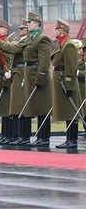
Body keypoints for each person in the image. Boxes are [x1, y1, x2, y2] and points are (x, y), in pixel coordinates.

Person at [0, 12, 53, 148]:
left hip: (37, 75)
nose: (27, 25)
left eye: (29, 22)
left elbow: (44, 62)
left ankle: (44, 138)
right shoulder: (29, 39)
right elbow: (11, 48)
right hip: (28, 74)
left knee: (41, 108)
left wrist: (40, 77)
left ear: (36, 23)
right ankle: (28, 137)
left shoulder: (42, 38)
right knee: (29, 108)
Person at [51, 19, 81, 149]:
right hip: (60, 79)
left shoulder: (68, 45)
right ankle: (69, 139)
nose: (56, 31)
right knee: (67, 111)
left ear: (62, 30)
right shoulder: (61, 44)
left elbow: (71, 66)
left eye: (57, 29)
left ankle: (72, 140)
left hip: (66, 81)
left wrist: (69, 84)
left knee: (71, 112)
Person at [8, 19, 31, 146]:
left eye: (22, 28)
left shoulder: (26, 41)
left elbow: (12, 48)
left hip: (22, 74)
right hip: (18, 73)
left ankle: (23, 136)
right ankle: (19, 135)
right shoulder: (21, 41)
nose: (19, 30)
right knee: (17, 106)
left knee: (22, 106)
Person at [77, 40, 86, 136]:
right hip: (80, 88)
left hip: (84, 88)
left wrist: (77, 73)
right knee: (83, 111)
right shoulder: (80, 59)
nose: (80, 51)